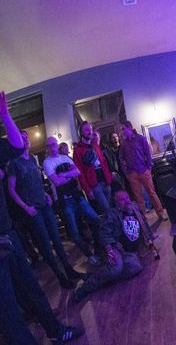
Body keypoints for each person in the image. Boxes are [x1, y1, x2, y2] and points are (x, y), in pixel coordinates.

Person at [0, 91, 85, 344]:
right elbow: (13, 189)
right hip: (13, 226)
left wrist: (4, 115)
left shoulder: (18, 155)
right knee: (7, 307)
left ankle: (56, 331)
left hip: (7, 232)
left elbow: (16, 145)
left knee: (31, 287)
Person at [7, 131, 84, 289]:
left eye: (26, 137)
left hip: (44, 204)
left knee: (57, 239)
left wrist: (45, 194)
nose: (26, 140)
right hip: (33, 209)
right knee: (45, 245)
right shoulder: (14, 163)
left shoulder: (32, 159)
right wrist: (25, 207)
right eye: (22, 138)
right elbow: (11, 190)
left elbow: (37, 181)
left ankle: (69, 270)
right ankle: (61, 277)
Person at [73, 190, 145, 303]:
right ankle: (85, 288)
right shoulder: (110, 214)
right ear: (116, 202)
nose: (126, 201)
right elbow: (104, 234)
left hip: (127, 250)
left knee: (136, 267)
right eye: (122, 199)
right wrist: (110, 251)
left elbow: (143, 225)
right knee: (116, 269)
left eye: (127, 197)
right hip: (113, 247)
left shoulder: (134, 208)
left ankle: (97, 276)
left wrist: (149, 240)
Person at [43, 136, 101, 266]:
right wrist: (69, 175)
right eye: (50, 145)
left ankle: (98, 249)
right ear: (47, 148)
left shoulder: (65, 158)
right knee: (74, 232)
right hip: (64, 200)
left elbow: (77, 171)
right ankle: (89, 255)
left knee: (95, 220)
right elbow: (57, 182)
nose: (53, 147)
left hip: (77, 196)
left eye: (54, 144)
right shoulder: (47, 162)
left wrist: (63, 174)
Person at [119, 121, 168, 221]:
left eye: (123, 129)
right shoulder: (124, 144)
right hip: (132, 173)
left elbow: (148, 153)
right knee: (138, 197)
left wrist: (149, 167)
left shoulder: (141, 139)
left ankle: (160, 213)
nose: (122, 131)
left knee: (152, 193)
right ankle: (143, 216)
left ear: (129, 127)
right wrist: (126, 172)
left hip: (143, 170)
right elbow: (121, 158)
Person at [73, 121, 112, 213]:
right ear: (81, 132)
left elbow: (103, 162)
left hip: (105, 181)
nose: (90, 132)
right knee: (107, 209)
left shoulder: (95, 145)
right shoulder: (77, 150)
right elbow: (80, 173)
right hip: (94, 185)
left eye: (90, 129)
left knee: (109, 207)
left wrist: (109, 177)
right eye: (86, 130)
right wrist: (87, 190)